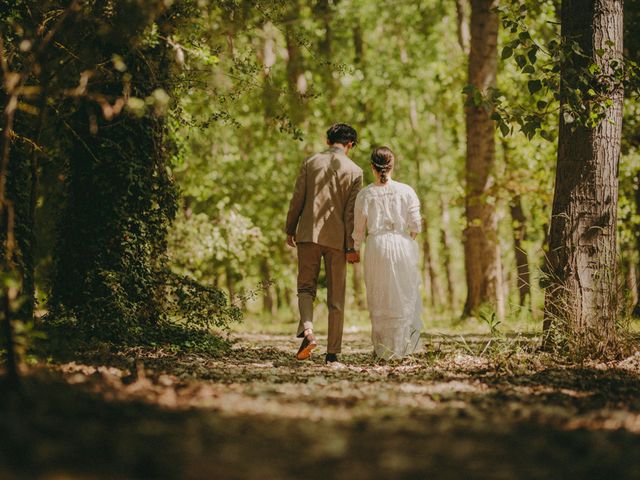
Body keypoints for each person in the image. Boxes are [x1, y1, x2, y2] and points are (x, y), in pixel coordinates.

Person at [285, 123, 363, 364]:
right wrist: (352, 246)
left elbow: (298, 198)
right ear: (350, 145)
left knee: (306, 288)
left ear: (328, 141)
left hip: (308, 234)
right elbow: (351, 214)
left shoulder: (310, 162)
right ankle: (333, 353)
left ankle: (308, 331)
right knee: (336, 296)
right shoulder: (355, 171)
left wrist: (290, 228)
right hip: (337, 241)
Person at [352, 146, 423, 360]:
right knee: (404, 295)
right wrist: (405, 240)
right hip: (403, 244)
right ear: (393, 166)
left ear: (372, 167)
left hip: (377, 247)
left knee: (380, 296)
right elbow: (416, 226)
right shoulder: (407, 190)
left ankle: (383, 350)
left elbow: (358, 229)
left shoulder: (365, 194)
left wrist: (355, 248)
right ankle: (406, 347)